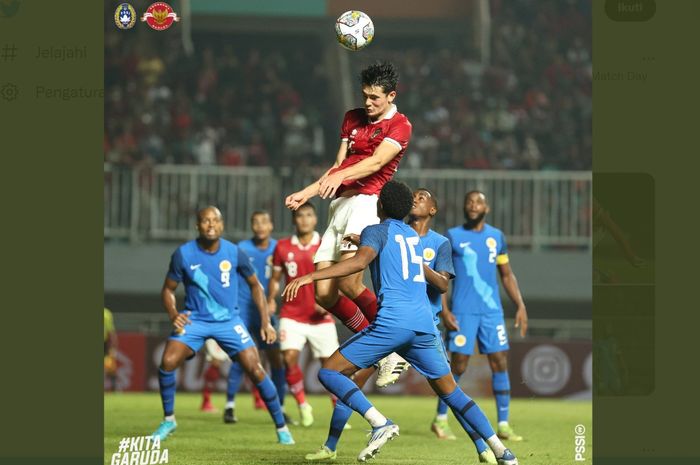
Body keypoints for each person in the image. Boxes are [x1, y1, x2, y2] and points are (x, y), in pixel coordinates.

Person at [284, 181, 517, 465]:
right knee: (451, 392)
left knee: (330, 372)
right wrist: (364, 242)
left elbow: (358, 264)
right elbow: (392, 250)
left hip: (392, 323)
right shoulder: (412, 236)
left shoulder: (377, 230)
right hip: (424, 327)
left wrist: (311, 276)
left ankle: (379, 422)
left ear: (379, 205)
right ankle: (502, 452)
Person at [284, 61, 412, 387]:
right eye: (365, 96)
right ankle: (380, 348)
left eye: (375, 98)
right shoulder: (352, 118)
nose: (368, 103)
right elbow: (338, 165)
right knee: (324, 294)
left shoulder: (400, 125)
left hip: (366, 205)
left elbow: (376, 162)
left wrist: (340, 176)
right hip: (339, 206)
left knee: (350, 284)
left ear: (391, 96)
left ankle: (393, 348)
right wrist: (307, 192)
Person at [150, 206, 294, 445]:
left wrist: (265, 321)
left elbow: (256, 285)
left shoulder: (234, 252)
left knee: (256, 369)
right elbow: (168, 289)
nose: (210, 225)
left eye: (215, 220)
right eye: (205, 221)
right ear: (197, 225)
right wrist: (173, 313)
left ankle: (281, 427)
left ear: (222, 224)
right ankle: (169, 420)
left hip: (229, 321)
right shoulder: (183, 254)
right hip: (195, 319)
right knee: (167, 361)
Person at [436, 191, 528, 443]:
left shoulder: (496, 237)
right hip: (463, 311)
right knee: (459, 365)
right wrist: (444, 310)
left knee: (499, 361)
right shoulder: (453, 237)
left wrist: (519, 304)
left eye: (478, 202)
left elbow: (506, 275)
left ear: (486, 208)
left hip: (491, 311)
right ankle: (440, 419)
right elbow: (441, 276)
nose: (473, 205)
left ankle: (504, 424)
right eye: (469, 201)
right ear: (464, 207)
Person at [268, 203, 340, 427]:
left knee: (331, 367)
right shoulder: (281, 247)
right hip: (291, 315)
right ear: (294, 219)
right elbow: (274, 279)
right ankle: (302, 405)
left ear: (315, 219)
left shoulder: (326, 244)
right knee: (289, 358)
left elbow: (338, 277)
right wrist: (270, 298)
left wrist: (329, 303)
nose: (304, 219)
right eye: (300, 215)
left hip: (321, 317)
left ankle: (337, 410)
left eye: (309, 215)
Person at [224, 211, 287, 424]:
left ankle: (281, 407)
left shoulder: (278, 248)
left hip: (266, 311)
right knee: (241, 358)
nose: (260, 226)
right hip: (242, 309)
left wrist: (274, 299)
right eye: (255, 222)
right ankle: (229, 406)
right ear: (252, 226)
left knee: (276, 359)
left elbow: (283, 277)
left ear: (271, 225)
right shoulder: (241, 248)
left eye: (264, 221)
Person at [104, 307, 119, 392]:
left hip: (105, 344)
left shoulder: (106, 313)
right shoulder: (106, 313)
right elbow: (112, 332)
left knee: (110, 366)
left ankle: (114, 388)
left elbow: (111, 331)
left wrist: (113, 346)